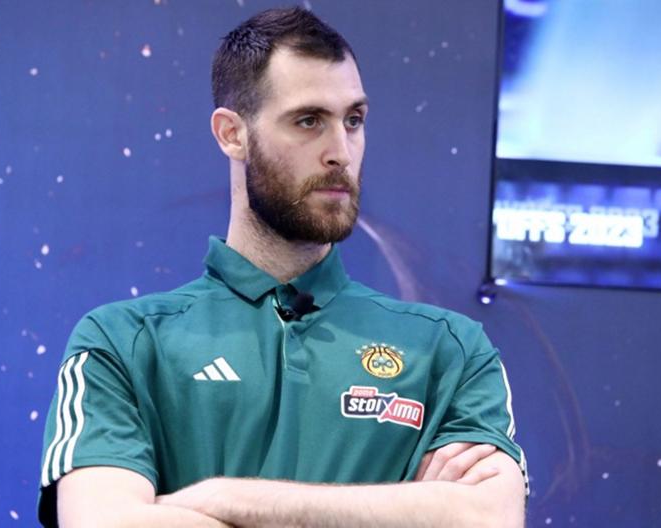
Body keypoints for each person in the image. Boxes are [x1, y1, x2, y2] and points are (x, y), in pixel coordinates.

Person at [38, 7, 527, 527]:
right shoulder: (122, 343)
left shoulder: (449, 350)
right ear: (232, 134)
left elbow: (489, 519)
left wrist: (227, 499)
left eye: (353, 121)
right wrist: (407, 513)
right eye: (308, 121)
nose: (341, 152)